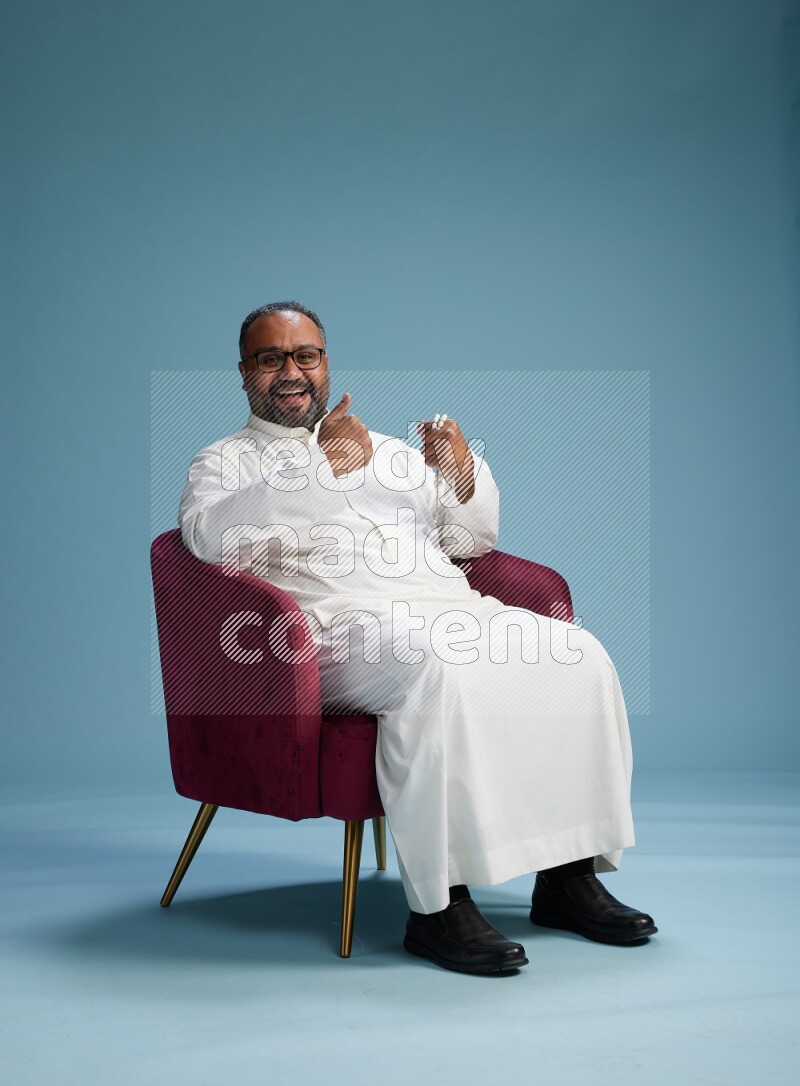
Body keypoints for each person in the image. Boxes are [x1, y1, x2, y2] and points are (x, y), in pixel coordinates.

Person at [178, 299, 658, 975]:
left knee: (578, 654)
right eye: (271, 358)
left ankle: (568, 877)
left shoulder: (392, 454)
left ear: (325, 363)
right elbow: (208, 540)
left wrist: (461, 474)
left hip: (445, 608)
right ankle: (439, 908)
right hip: (332, 635)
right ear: (244, 372)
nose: (291, 371)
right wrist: (322, 468)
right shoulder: (223, 462)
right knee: (438, 667)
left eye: (304, 355)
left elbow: (470, 540)